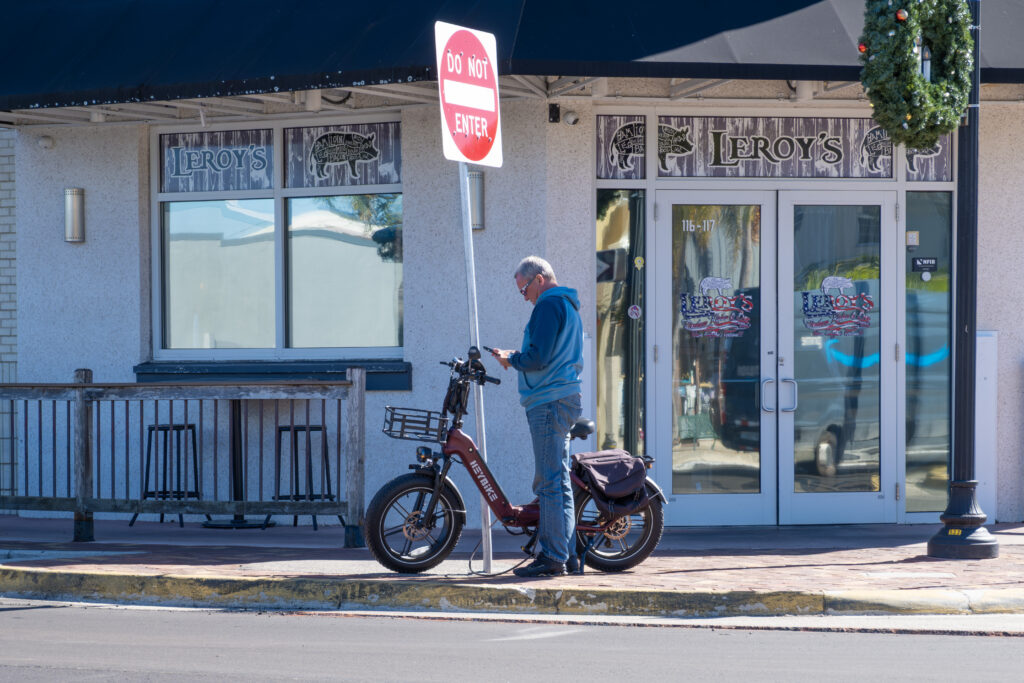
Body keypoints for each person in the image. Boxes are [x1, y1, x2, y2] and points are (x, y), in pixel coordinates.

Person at [491, 256, 584, 577]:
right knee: (559, 481)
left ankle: (553, 557)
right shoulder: (566, 304)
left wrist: (511, 359)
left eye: (524, 289)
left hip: (549, 401)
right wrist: (516, 358)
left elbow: (538, 357)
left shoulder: (548, 305)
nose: (524, 297)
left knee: (548, 483)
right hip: (563, 397)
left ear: (539, 279)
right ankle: (567, 555)